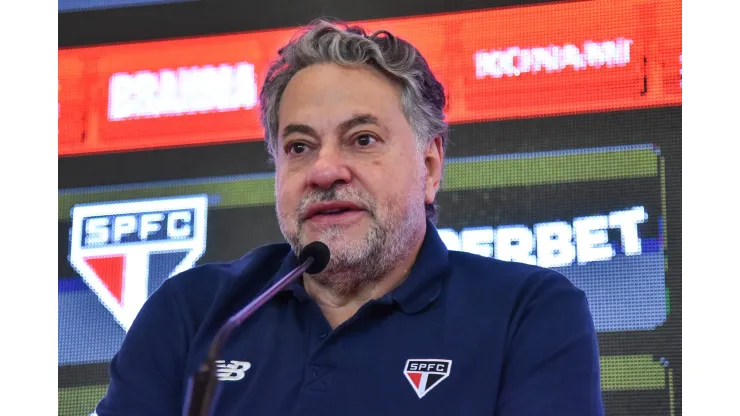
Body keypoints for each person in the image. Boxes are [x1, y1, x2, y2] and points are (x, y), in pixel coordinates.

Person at [95, 19, 604, 416]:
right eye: (299, 146)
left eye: (362, 139)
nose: (323, 170)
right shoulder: (196, 315)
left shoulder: (527, 313)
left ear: (429, 166)